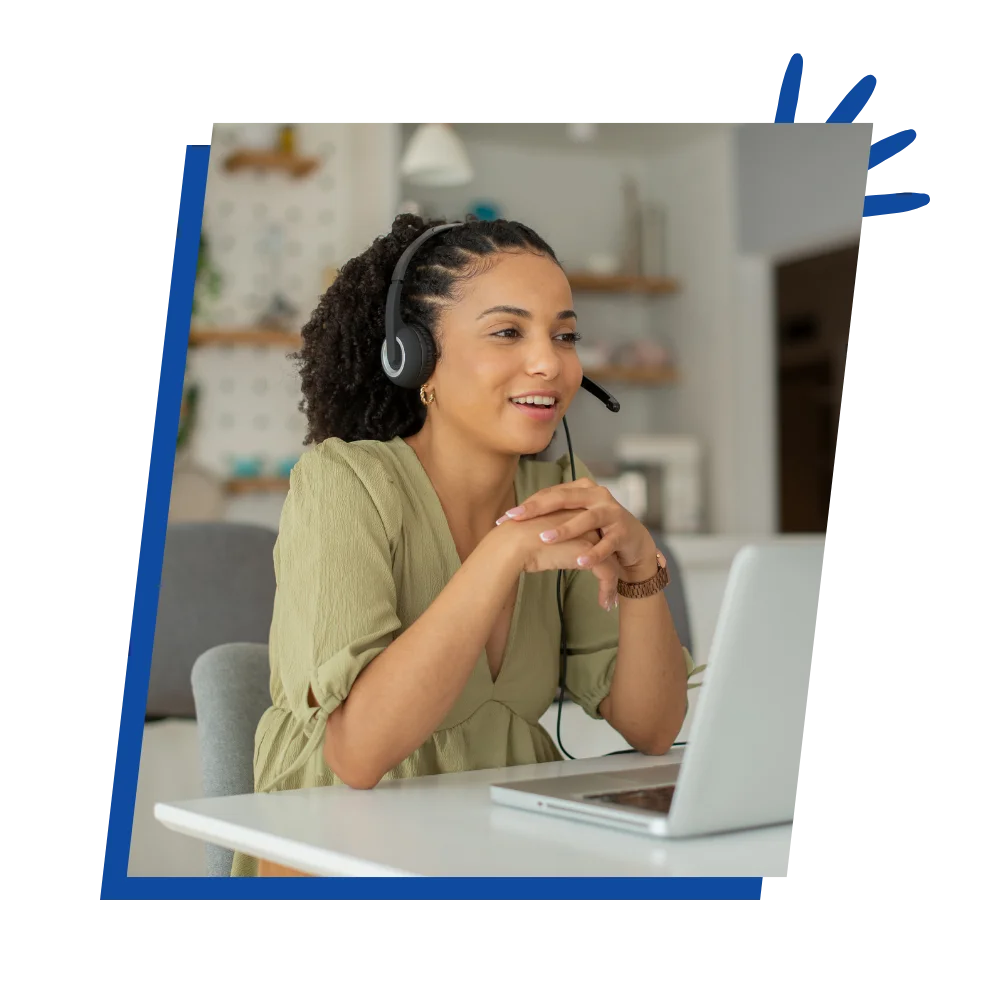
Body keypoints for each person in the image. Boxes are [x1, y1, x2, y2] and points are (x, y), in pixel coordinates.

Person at [230, 214, 704, 877]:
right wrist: (503, 554)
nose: (549, 361)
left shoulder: (567, 491)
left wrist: (641, 569)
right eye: (508, 331)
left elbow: (652, 729)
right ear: (416, 356)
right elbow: (359, 755)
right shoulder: (344, 483)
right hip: (339, 849)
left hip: (497, 846)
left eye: (564, 336)